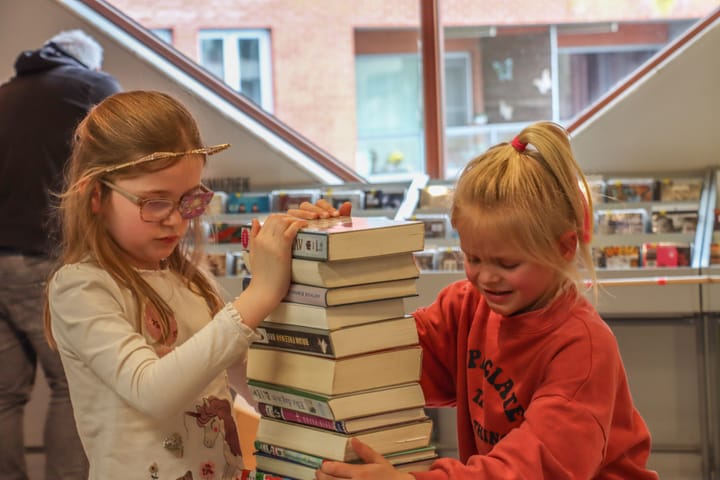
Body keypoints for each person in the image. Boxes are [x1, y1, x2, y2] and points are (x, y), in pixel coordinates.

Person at [293, 121, 659, 479]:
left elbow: (534, 469)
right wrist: (327, 254)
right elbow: (380, 361)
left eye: (507, 263)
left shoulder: (583, 349)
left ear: (564, 248)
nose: (485, 277)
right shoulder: (466, 306)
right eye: (473, 258)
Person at [42, 90, 307, 480]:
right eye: (154, 201)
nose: (175, 220)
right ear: (96, 195)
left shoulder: (194, 283)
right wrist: (259, 295)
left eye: (189, 199)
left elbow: (256, 388)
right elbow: (152, 392)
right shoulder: (81, 288)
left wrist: (313, 257)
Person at [0, 29, 121, 480]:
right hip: (44, 257)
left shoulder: (5, 94)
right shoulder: (92, 88)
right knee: (71, 385)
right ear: (88, 64)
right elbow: (132, 151)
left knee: (4, 396)